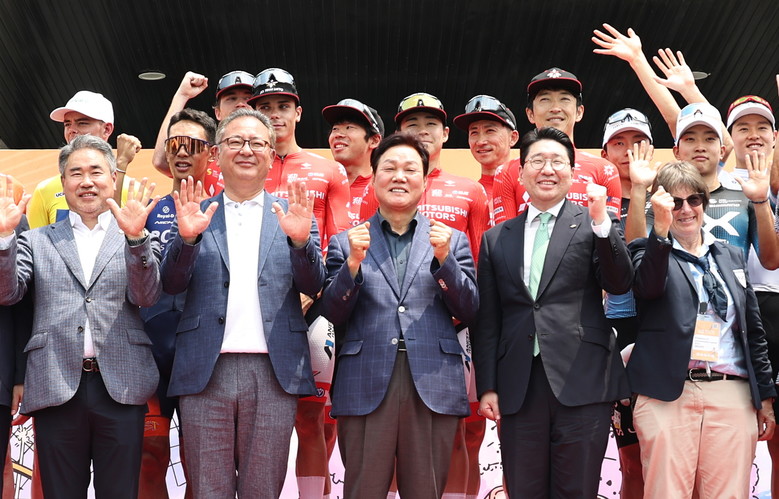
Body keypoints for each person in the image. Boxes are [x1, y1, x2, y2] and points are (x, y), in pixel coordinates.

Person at [160, 109, 325, 497]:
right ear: (216, 154)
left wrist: (300, 243)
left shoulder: (293, 215)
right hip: (205, 369)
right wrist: (188, 240)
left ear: (271, 154)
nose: (246, 150)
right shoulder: (197, 212)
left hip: (273, 369)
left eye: (256, 143)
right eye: (235, 142)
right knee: (207, 489)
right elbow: (170, 284)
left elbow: (315, 284)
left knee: (262, 488)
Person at [473, 127, 633, 498]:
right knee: (524, 490)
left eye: (557, 162)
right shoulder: (497, 238)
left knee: (576, 490)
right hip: (519, 384)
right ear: (521, 173)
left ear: (572, 173)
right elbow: (489, 320)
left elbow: (619, 282)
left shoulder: (594, 224)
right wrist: (488, 386)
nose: (547, 169)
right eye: (538, 161)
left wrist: (601, 222)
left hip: (584, 380)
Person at [0, 135, 163, 499]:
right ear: (63, 183)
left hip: (121, 385)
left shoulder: (135, 233)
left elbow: (147, 296)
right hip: (56, 384)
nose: (86, 181)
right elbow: (7, 293)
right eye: (76, 173)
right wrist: (5, 238)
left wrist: (136, 240)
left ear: (113, 178)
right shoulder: (36, 240)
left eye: (95, 172)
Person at [322, 132, 478, 499]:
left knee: (426, 491)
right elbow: (332, 311)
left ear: (424, 181)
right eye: (389, 168)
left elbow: (470, 308)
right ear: (374, 178)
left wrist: (445, 260)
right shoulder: (347, 242)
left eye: (410, 169)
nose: (399, 177)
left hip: (431, 380)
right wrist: (352, 265)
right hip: (365, 381)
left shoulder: (451, 240)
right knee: (362, 491)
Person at [628, 161, 776, 499]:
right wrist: (660, 234)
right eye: (674, 202)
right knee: (666, 493)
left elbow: (752, 331)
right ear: (660, 205)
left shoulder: (731, 255)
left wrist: (765, 398)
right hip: (668, 393)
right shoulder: (648, 249)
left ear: (704, 203)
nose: (685, 209)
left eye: (693, 200)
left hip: (731, 390)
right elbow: (647, 288)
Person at [251, 68, 351, 498]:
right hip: (249, 314)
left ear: (298, 112)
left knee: (311, 421)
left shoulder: (328, 170)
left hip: (312, 311)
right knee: (255, 423)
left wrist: (316, 292)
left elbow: (340, 241)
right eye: (265, 107)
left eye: (283, 106)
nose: (275, 114)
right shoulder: (235, 166)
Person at [135, 108, 217, 499]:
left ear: (212, 153)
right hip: (148, 352)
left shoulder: (223, 211)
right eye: (174, 144)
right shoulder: (146, 209)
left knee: (199, 464)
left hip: (202, 355)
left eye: (193, 145)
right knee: (149, 457)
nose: (182, 152)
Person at [599, 108, 655, 499]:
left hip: (662, 334)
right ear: (604, 153)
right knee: (632, 462)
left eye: (638, 142)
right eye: (618, 143)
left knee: (673, 455)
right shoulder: (592, 202)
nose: (628, 151)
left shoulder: (674, 198)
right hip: (612, 336)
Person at [726, 94, 779, 496]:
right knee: (737, 436)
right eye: (742, 128)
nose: (754, 135)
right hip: (744, 311)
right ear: (729, 138)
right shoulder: (720, 185)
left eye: (762, 127)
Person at [491, 68, 622, 224]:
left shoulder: (605, 170)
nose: (555, 108)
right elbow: (505, 235)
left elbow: (610, 234)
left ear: (579, 112)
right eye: (545, 99)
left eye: (564, 99)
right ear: (530, 114)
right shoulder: (506, 172)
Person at [27, 91, 141, 228]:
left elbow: (130, 237)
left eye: (82, 123)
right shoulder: (44, 190)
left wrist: (121, 164)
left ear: (107, 129)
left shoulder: (135, 190)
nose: (72, 130)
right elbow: (36, 240)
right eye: (67, 124)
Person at [150, 70, 255, 196]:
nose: (240, 104)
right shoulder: (205, 156)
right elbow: (161, 161)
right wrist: (182, 95)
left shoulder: (267, 155)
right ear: (218, 112)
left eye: (248, 99)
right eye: (231, 98)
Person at [322, 98, 384, 227]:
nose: (338, 134)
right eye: (335, 129)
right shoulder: (318, 185)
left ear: (374, 140)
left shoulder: (384, 189)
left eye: (349, 127)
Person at [453, 94, 519, 206]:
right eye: (474, 132)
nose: (480, 141)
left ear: (513, 138)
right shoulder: (465, 197)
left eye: (490, 131)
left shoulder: (531, 189)